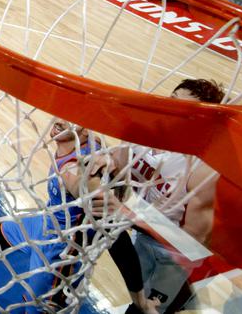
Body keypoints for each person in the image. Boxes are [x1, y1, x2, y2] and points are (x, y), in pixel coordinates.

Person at [0, 120, 161, 313]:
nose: (61, 119)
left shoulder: (76, 173)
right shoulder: (90, 145)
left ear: (85, 128)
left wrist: (140, 302)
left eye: (73, 117)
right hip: (46, 225)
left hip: (61, 255)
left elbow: (116, 238)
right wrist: (112, 159)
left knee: (36, 305)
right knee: (3, 232)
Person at [94, 79, 223, 313]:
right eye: (172, 101)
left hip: (171, 251)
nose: (171, 110)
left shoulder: (202, 169)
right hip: (140, 223)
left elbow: (192, 242)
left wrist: (130, 215)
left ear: (200, 121)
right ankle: (180, 297)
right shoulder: (140, 132)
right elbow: (121, 166)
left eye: (183, 110)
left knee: (144, 310)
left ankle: (177, 296)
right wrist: (108, 161)